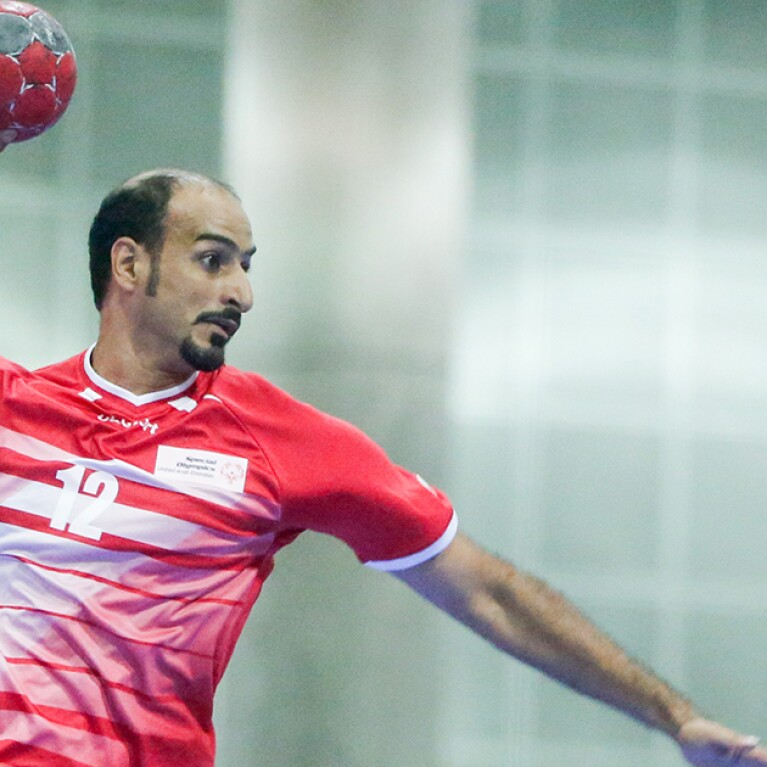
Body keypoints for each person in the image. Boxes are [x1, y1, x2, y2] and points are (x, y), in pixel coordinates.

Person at [0, 167, 763, 767]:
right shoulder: (14, 407)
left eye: (245, 266)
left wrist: (671, 713)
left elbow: (490, 593)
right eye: (211, 260)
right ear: (128, 264)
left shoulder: (277, 439)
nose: (241, 291)